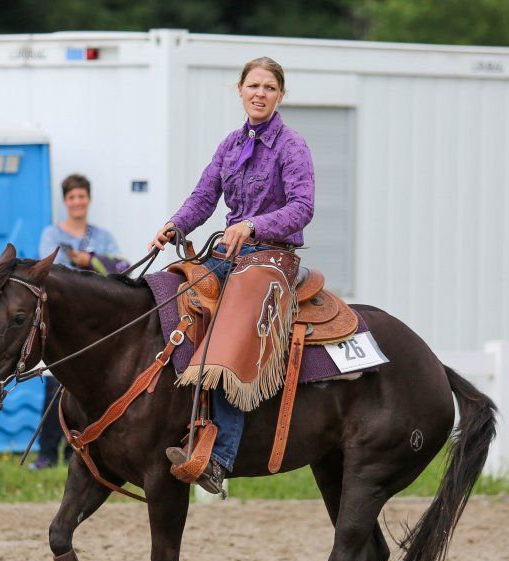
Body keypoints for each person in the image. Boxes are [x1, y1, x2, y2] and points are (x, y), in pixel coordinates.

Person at [147, 56, 315, 494]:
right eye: (253, 85)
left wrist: (254, 225)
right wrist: (175, 225)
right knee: (169, 297)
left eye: (270, 88)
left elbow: (302, 207)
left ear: (280, 95)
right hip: (229, 254)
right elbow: (204, 196)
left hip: (272, 258)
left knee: (233, 333)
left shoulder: (291, 145)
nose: (260, 93)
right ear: (239, 90)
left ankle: (218, 459)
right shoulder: (230, 144)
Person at [30, 174, 131, 470]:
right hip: (64, 321)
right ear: (65, 201)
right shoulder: (51, 234)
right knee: (54, 385)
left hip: (94, 323)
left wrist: (88, 260)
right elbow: (49, 269)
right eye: (72, 197)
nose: (77, 202)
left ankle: (94, 445)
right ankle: (48, 452)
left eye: (81, 196)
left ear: (88, 199)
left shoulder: (101, 236)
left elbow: (122, 266)